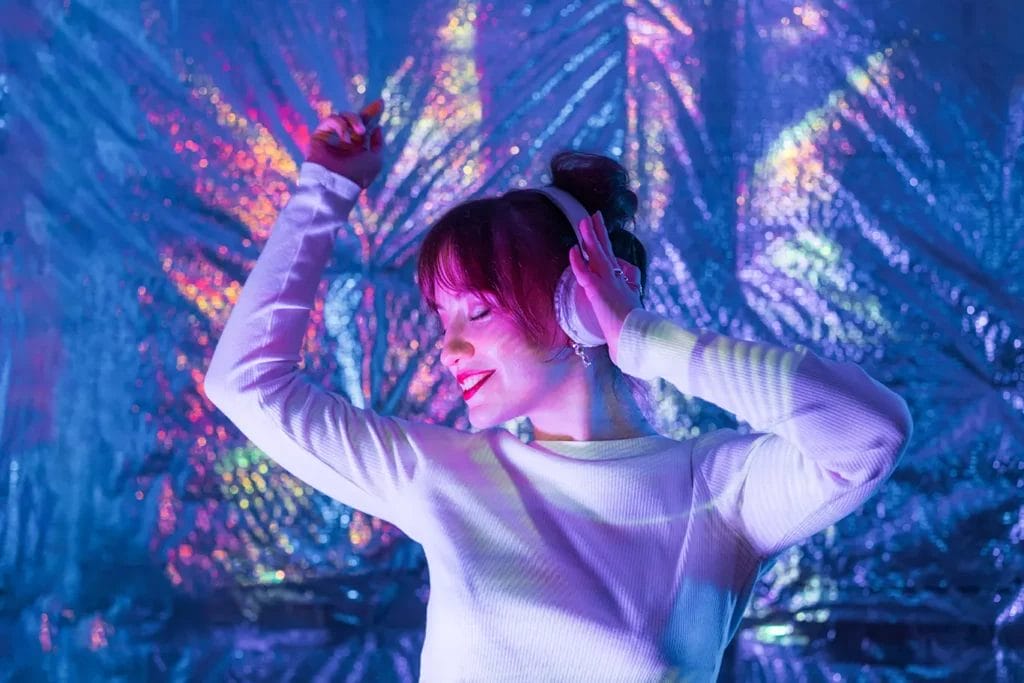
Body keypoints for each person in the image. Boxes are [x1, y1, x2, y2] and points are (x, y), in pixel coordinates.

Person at [205, 100, 913, 682]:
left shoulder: (719, 490)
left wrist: (639, 336)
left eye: (478, 311)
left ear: (578, 302)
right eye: (442, 318)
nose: (450, 348)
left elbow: (869, 434)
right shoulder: (443, 474)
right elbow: (245, 382)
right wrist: (322, 191)